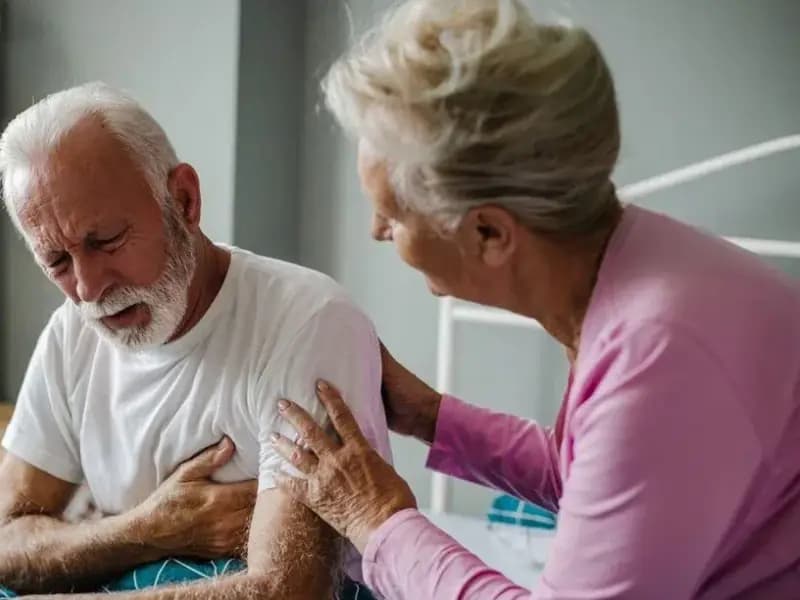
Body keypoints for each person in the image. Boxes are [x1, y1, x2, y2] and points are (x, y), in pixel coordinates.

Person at [269, 1, 800, 598]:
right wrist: (430, 415)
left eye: (393, 214)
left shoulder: (662, 352)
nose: (375, 231)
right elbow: (597, 478)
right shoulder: (643, 261)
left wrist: (380, 521)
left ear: (489, 235)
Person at [0, 82, 389, 599]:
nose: (90, 289)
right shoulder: (72, 333)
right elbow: (8, 541)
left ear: (183, 199)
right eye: (57, 262)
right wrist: (150, 528)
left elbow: (288, 590)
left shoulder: (305, 321)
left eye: (107, 241)